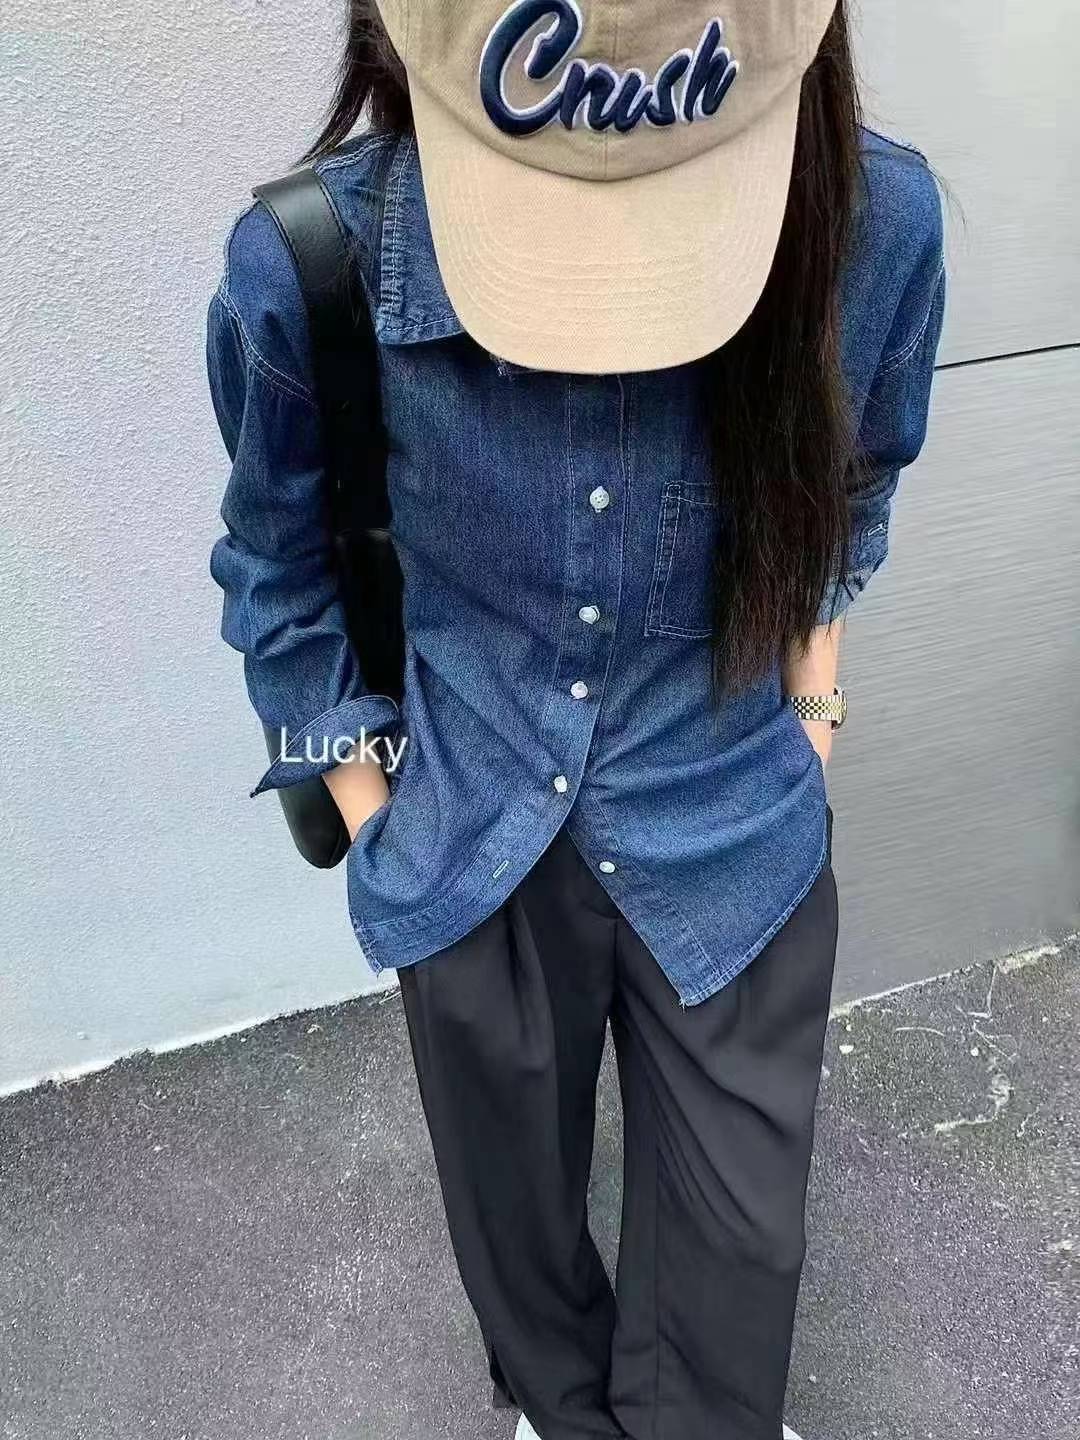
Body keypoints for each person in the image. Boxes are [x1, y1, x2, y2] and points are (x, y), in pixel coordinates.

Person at [206, 2, 946, 1436]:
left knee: (736, 1283)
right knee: (521, 1264)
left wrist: (812, 717)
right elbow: (273, 569)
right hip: (466, 838)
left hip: (736, 830)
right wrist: (374, 812)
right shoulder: (310, 263)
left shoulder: (878, 227)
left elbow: (854, 488)